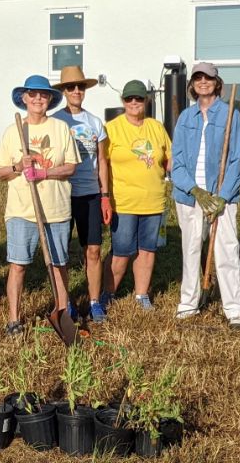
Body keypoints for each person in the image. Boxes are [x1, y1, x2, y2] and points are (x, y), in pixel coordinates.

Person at [0, 75, 80, 336]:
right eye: (33, 94)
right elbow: (0, 172)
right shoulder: (14, 131)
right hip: (23, 209)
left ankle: (62, 311)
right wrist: (19, 167)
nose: (38, 99)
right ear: (24, 98)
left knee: (58, 264)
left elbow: (71, 167)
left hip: (56, 208)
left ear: (50, 100)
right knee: (19, 265)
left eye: (43, 95)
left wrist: (45, 173)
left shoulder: (60, 128)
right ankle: (14, 319)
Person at [171, 62, 240, 329]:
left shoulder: (229, 115)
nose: (203, 82)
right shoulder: (185, 118)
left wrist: (222, 197)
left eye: (208, 78)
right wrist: (196, 191)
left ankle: (233, 309)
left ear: (217, 83)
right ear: (192, 84)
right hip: (190, 197)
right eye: (198, 78)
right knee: (191, 250)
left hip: (221, 197)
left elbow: (237, 159)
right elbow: (176, 161)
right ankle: (189, 304)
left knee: (226, 250)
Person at [101, 80, 171, 311]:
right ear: (123, 101)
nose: (133, 103)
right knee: (121, 252)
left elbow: (169, 160)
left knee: (147, 250)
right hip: (124, 201)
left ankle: (141, 295)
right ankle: (107, 293)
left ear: (146, 101)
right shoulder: (111, 128)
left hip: (153, 201)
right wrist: (104, 196)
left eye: (138, 98)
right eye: (129, 98)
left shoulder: (157, 127)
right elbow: (102, 163)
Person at [51, 66, 112, 323]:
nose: (76, 91)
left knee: (94, 250)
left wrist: (105, 195)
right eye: (70, 87)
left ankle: (95, 301)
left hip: (90, 194)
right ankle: (65, 303)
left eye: (80, 87)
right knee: (62, 253)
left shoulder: (94, 122)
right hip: (63, 193)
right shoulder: (55, 121)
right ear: (64, 91)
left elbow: (103, 160)